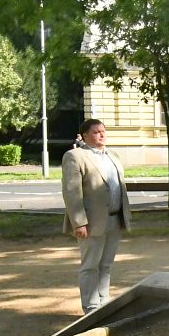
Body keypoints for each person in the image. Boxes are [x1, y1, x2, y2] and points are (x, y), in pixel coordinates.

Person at [61, 119, 131, 314]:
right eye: (96, 132)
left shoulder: (113, 156)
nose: (101, 135)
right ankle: (91, 307)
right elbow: (72, 192)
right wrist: (79, 222)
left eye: (103, 131)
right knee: (90, 266)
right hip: (91, 222)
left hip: (115, 218)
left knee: (106, 265)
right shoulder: (75, 156)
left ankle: (104, 303)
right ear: (85, 136)